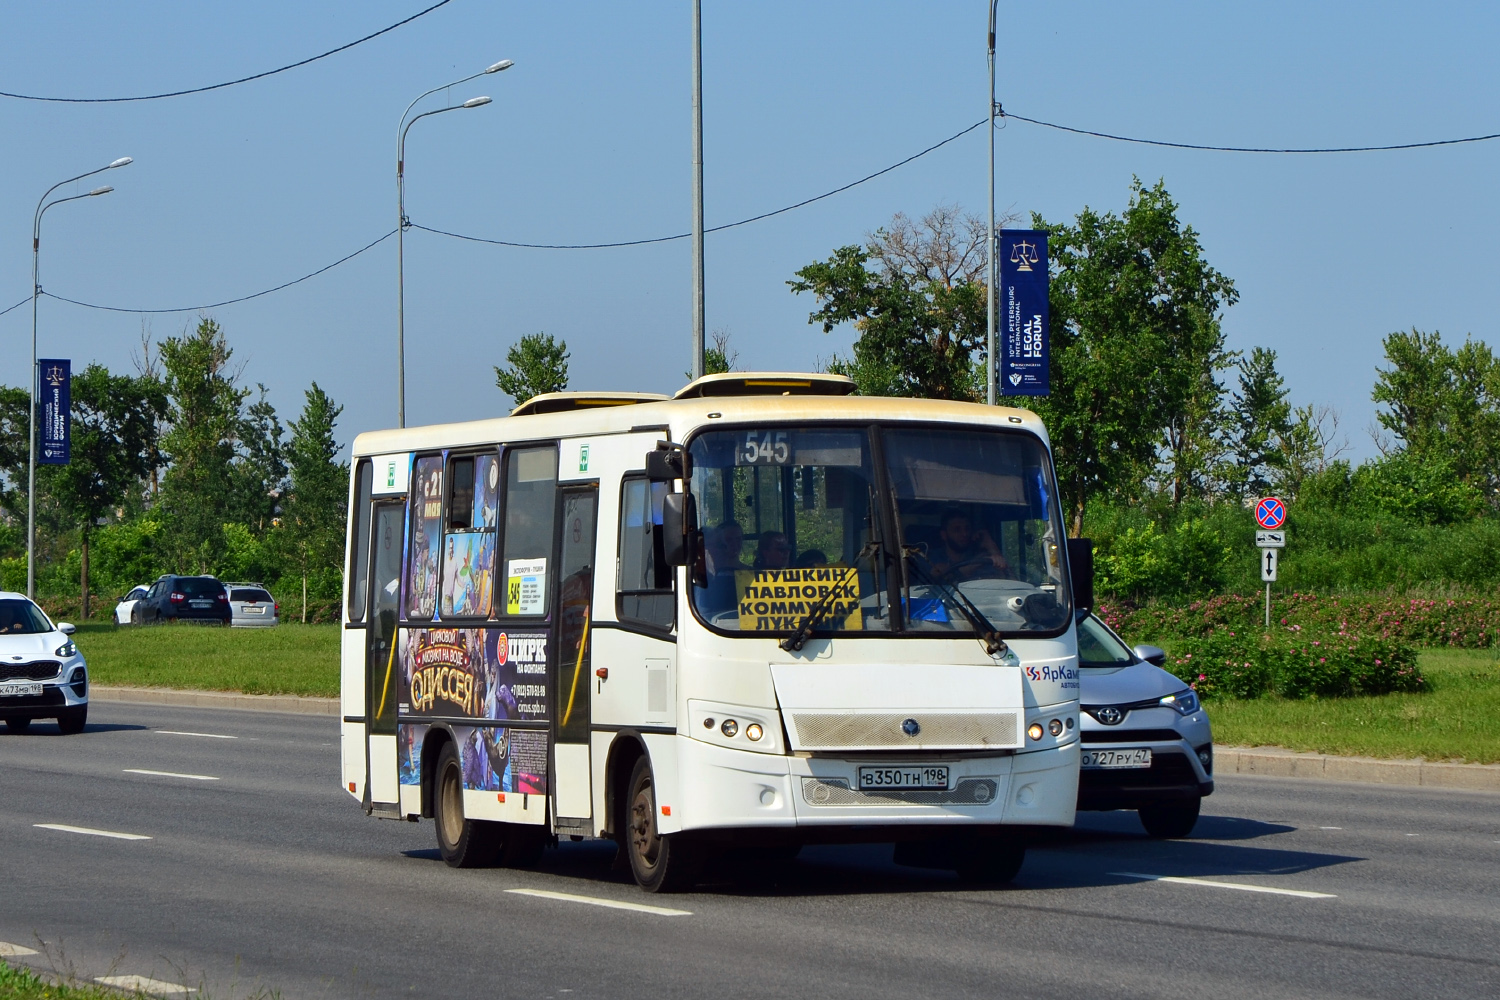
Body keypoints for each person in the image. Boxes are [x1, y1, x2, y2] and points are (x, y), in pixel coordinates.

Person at [928, 510, 1008, 581]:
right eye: (957, 530)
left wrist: (991, 547)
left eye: (967, 529)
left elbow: (1013, 583)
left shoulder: (984, 559)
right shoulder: (931, 559)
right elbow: (946, 578)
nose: (964, 534)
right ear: (944, 535)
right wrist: (978, 562)